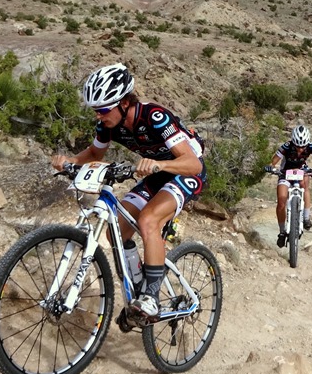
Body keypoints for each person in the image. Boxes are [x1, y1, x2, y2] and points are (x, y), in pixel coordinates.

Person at [51, 63, 206, 320]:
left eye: (102, 110)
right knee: (118, 232)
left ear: (124, 103)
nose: (98, 116)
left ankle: (151, 298)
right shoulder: (108, 124)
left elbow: (193, 163)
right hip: (158, 172)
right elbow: (94, 154)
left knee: (148, 221)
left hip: (186, 171)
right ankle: (138, 291)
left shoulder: (155, 117)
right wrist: (69, 161)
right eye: (95, 111)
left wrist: (159, 164)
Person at [264, 124, 312, 247]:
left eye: (303, 147)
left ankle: (306, 217)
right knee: (281, 201)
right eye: (297, 146)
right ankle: (282, 232)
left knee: (305, 184)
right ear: (293, 142)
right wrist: (270, 166)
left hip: (301, 170)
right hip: (285, 172)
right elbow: (274, 160)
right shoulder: (286, 146)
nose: (300, 150)